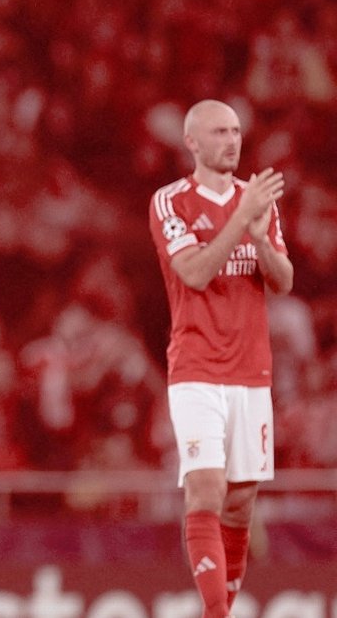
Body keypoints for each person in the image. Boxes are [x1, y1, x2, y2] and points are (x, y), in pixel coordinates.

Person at [149, 100, 292, 618]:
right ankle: (218, 613)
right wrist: (242, 222)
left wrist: (261, 238)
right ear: (191, 142)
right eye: (219, 132)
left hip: (252, 370)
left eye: (235, 131)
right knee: (205, 488)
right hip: (197, 369)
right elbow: (194, 272)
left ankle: (222, 605)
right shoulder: (171, 202)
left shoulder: (257, 201)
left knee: (241, 502)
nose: (232, 141)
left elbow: (283, 280)